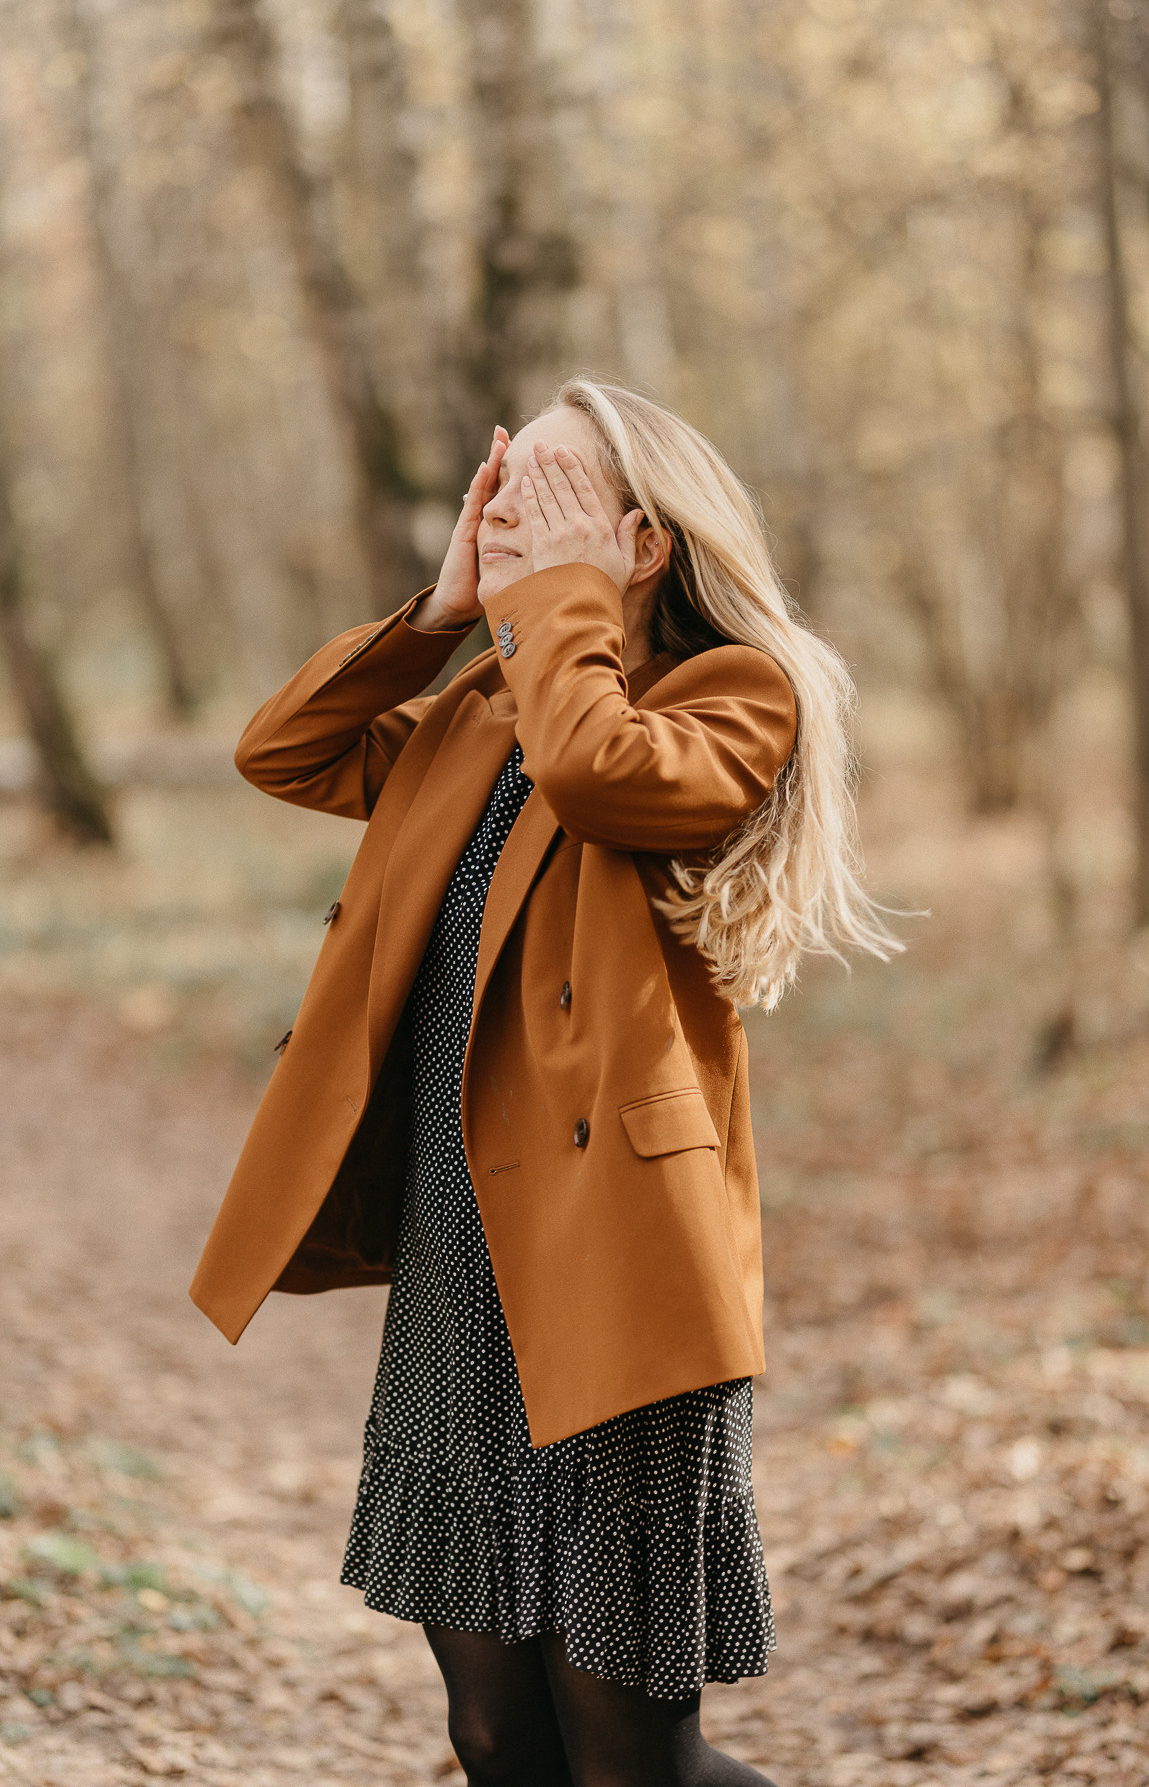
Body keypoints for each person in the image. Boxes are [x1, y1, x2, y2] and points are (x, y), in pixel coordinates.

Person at [189, 379, 896, 1785]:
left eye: (550, 494)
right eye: (500, 489)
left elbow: (598, 775)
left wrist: (555, 603)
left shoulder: (730, 699)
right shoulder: (474, 714)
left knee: (632, 1755)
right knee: (492, 1734)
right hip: (462, 1278)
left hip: (622, 1276)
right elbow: (283, 750)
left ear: (641, 542)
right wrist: (443, 611)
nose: (509, 512)